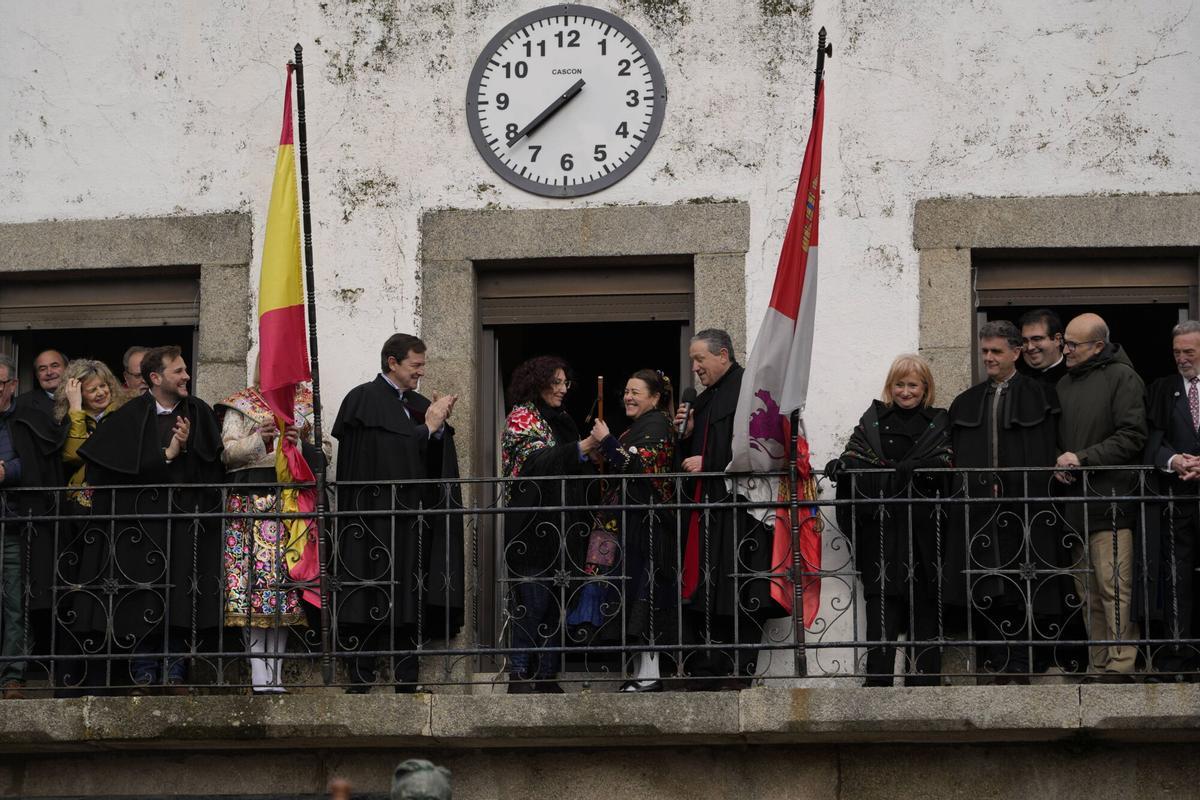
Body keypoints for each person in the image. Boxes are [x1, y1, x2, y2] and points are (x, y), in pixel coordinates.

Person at [72, 345, 224, 693]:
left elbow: (214, 469)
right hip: (139, 529)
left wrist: (185, 451)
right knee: (143, 599)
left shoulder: (198, 413)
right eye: (179, 371)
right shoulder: (128, 416)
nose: (186, 376)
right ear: (156, 378)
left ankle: (174, 672)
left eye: (186, 370)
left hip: (186, 526)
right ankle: (143, 672)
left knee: (181, 600)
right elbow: (107, 470)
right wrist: (165, 455)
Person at [332, 333, 465, 693]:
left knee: (409, 596)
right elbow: (385, 456)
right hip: (369, 519)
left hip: (409, 519)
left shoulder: (418, 403)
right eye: (415, 365)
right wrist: (429, 427)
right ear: (393, 362)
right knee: (366, 593)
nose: (420, 373)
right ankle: (361, 679)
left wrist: (436, 433)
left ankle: (407, 680)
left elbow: (428, 462)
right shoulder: (362, 399)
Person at [946, 321, 1065, 683]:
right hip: (982, 510)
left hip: (1026, 507)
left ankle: (1024, 661)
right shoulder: (966, 401)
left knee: (1027, 581)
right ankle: (997, 658)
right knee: (989, 585)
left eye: (996, 351)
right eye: (985, 352)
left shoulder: (1040, 395)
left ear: (1016, 352)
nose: (989, 358)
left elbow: (1052, 448)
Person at [826, 354, 952, 686]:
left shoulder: (938, 421)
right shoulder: (874, 420)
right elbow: (855, 455)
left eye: (912, 385)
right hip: (882, 530)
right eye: (900, 384)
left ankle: (924, 683)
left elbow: (947, 465)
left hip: (924, 531)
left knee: (925, 602)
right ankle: (877, 681)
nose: (905, 391)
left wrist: (920, 470)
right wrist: (841, 466)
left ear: (925, 388)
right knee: (882, 600)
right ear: (890, 386)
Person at [674, 329, 784, 688]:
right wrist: (688, 433)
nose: (695, 367)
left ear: (723, 355)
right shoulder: (703, 400)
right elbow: (688, 461)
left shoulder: (748, 390)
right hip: (709, 510)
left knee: (740, 589)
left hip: (741, 511)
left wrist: (710, 460)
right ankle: (710, 668)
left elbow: (762, 445)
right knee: (710, 590)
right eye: (692, 360)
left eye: (700, 359)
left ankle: (739, 669)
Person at [216, 376, 329, 693]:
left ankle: (275, 673)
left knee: (282, 590)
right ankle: (257, 672)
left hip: (290, 505)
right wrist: (261, 439)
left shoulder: (305, 402)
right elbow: (227, 455)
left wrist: (300, 443)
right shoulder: (239, 405)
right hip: (249, 503)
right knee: (251, 588)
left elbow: (325, 455)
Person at [500, 356, 605, 693]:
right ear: (538, 383)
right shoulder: (521, 418)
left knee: (559, 603)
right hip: (531, 526)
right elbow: (535, 463)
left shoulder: (564, 421)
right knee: (532, 601)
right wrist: (581, 448)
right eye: (556, 382)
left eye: (565, 383)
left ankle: (547, 675)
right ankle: (519, 675)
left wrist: (595, 457)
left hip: (566, 526)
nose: (562, 389)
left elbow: (576, 469)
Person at [568, 369, 678, 692]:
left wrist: (607, 440)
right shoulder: (640, 426)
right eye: (626, 391)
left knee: (648, 600)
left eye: (636, 392)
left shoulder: (657, 424)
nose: (628, 397)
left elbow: (639, 468)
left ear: (655, 398)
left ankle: (650, 676)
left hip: (650, 527)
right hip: (633, 525)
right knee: (634, 600)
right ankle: (640, 673)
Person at [1054, 313, 1147, 682]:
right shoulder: (1063, 384)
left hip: (1112, 504)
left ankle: (1122, 665)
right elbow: (1064, 438)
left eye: (1073, 345)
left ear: (1098, 346)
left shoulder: (1124, 377)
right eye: (1065, 343)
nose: (1066, 350)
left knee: (1115, 587)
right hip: (1076, 505)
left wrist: (1083, 458)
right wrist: (1061, 459)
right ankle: (1098, 665)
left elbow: (1132, 435)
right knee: (1087, 592)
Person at [1143, 319, 1200, 679]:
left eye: (1189, 352)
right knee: (1177, 579)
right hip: (1177, 501)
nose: (1181, 358)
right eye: (1177, 352)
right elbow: (1148, 439)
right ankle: (1178, 656)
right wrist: (1173, 460)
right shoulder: (1162, 389)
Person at [0, 354, 40, 699]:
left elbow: (35, 464)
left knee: (15, 601)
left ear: (12, 385)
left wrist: (6, 472)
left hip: (12, 524)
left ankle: (13, 675)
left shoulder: (25, 419)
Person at [15, 349, 67, 423]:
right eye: (42, 369)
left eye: (55, 366)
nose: (49, 372)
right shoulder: (21, 404)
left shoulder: (84, 396)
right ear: (37, 375)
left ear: (67, 369)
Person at [1019, 309, 1067, 385]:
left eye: (1037, 339)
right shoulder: (1015, 378)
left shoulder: (1074, 377)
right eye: (1024, 341)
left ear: (1057, 339)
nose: (1030, 347)